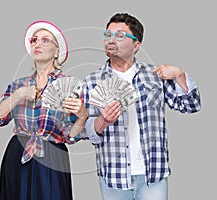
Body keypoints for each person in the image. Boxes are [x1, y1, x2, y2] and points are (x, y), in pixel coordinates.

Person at [83, 13, 201, 200]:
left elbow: (191, 105)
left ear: (136, 45)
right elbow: (83, 130)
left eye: (120, 36)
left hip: (152, 175)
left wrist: (179, 74)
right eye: (108, 35)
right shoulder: (92, 81)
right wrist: (102, 121)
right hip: (114, 176)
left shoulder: (156, 76)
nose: (110, 40)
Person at [0, 20, 87, 200]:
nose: (37, 43)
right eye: (34, 40)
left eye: (45, 40)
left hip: (52, 157)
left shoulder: (70, 85)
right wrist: (18, 95)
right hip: (17, 153)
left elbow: (71, 136)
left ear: (57, 51)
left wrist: (81, 118)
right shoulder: (18, 85)